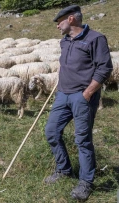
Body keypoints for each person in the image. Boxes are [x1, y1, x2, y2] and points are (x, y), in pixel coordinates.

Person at [44, 5, 113, 201]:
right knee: (51, 131)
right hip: (62, 95)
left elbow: (104, 68)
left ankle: (85, 182)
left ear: (71, 19)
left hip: (82, 97)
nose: (58, 26)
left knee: (82, 139)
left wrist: (88, 92)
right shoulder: (64, 41)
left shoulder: (95, 39)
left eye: (60, 21)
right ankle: (64, 169)